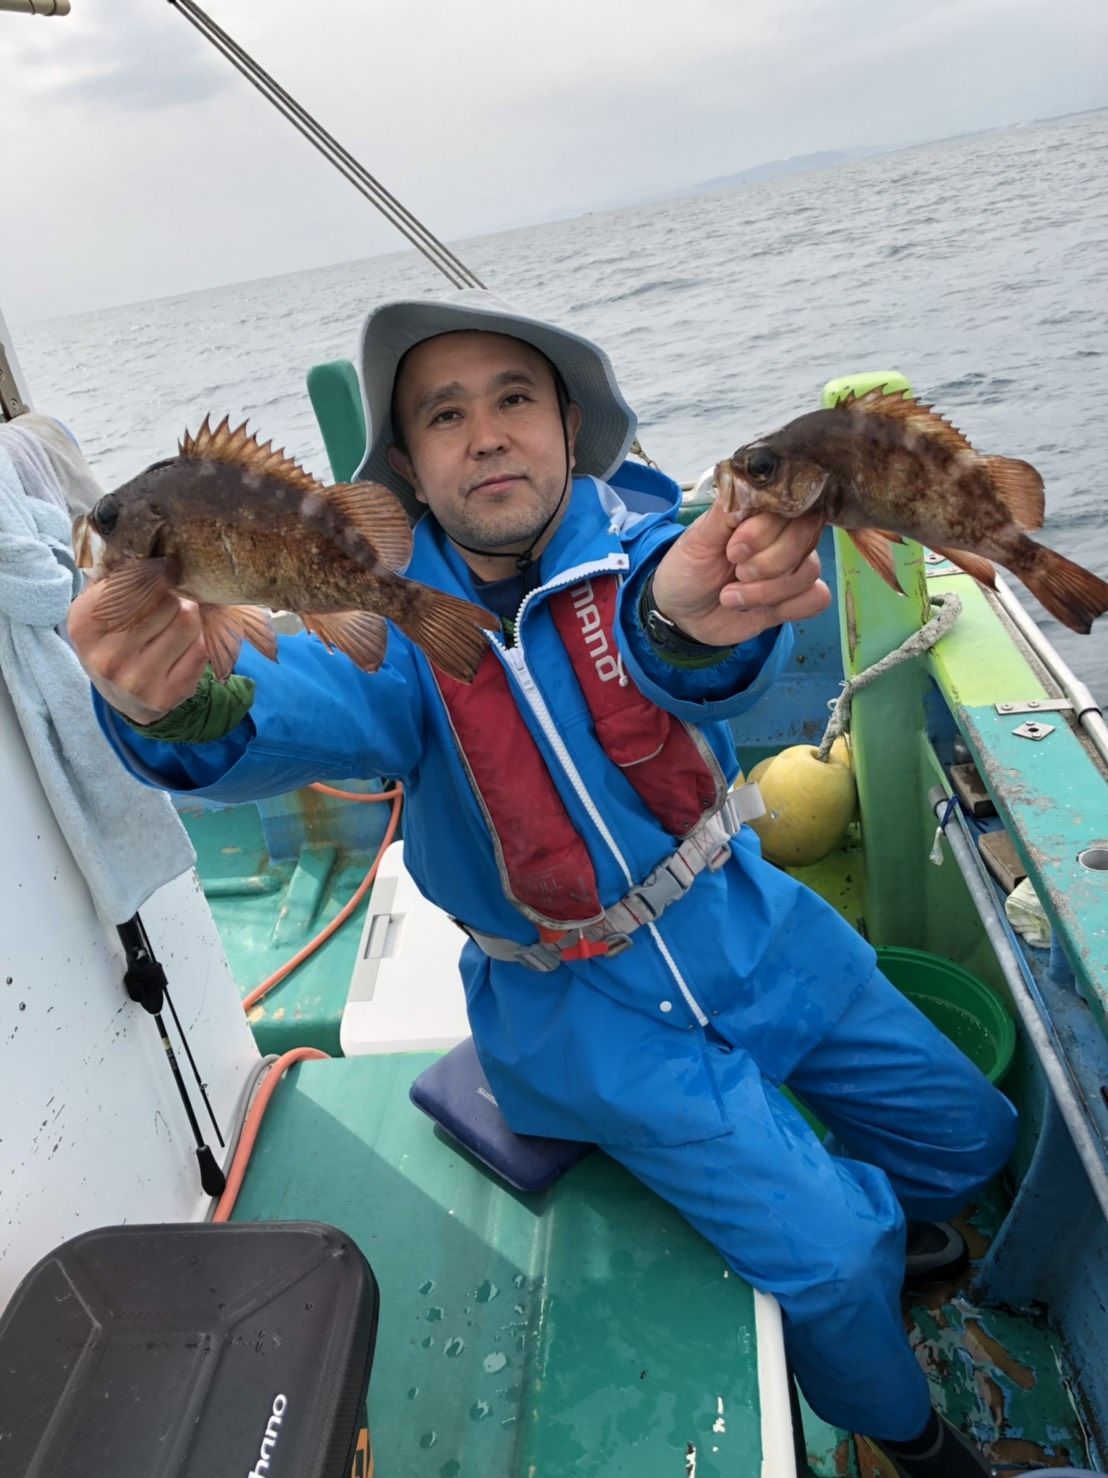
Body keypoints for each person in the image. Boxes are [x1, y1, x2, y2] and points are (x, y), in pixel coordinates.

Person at [68, 290, 1015, 1476]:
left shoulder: (649, 540)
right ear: (408, 465)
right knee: (832, 1260)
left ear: (570, 424)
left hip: (748, 921)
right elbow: (278, 705)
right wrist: (174, 704)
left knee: (971, 1135)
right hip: (578, 1008)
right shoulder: (385, 625)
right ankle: (909, 1438)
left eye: (513, 397)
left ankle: (863, 1216)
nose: (485, 434)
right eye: (443, 414)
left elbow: (680, 623)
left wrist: (693, 628)